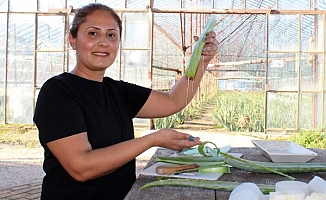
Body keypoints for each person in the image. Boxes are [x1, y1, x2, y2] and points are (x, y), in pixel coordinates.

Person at [33, 3, 218, 200]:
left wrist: (201, 61)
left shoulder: (117, 91)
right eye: (93, 34)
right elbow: (82, 167)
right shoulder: (58, 92)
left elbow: (173, 101)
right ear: (72, 39)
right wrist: (152, 139)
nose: (103, 42)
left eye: (111, 35)